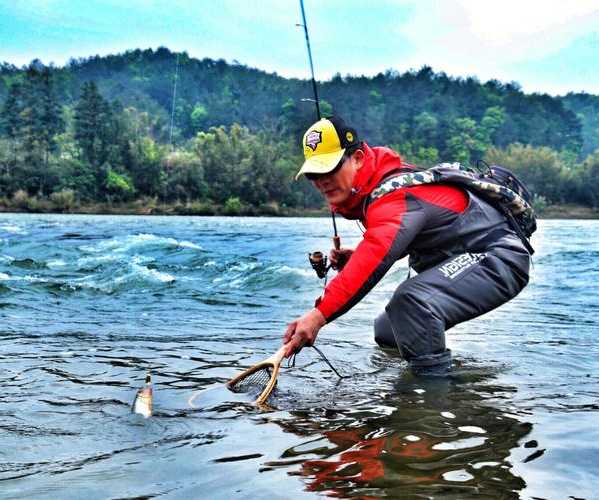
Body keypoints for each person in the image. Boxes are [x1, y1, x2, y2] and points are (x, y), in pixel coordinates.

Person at [282, 116, 530, 376]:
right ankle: (455, 387)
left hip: (498, 257)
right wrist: (354, 258)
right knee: (389, 330)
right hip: (469, 256)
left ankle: (430, 401)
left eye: (329, 168)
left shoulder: (395, 196)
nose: (321, 180)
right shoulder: (382, 190)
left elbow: (374, 257)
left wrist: (318, 316)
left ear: (356, 158)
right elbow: (394, 243)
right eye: (313, 173)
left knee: (411, 304)